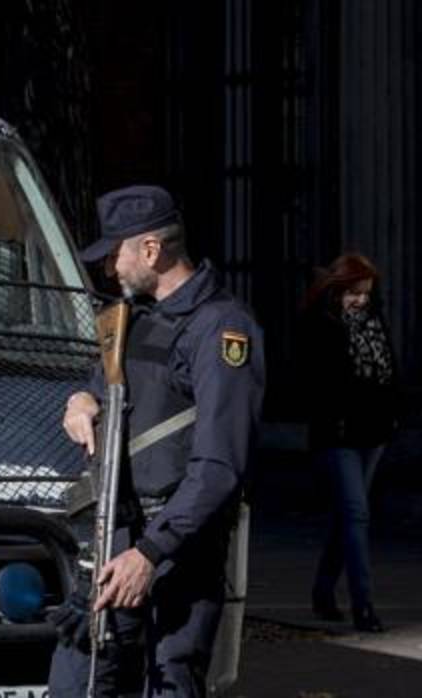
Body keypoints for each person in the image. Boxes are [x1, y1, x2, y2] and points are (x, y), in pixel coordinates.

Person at [47, 185, 265, 697]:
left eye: (114, 254)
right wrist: (80, 399)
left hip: (177, 547)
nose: (108, 270)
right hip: (117, 537)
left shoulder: (222, 329)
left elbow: (219, 465)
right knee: (79, 677)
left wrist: (150, 552)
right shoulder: (137, 320)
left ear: (150, 250)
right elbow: (103, 387)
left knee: (168, 679)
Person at [300, 253, 395, 632]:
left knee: (346, 517)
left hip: (373, 433)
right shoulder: (319, 324)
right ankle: (364, 605)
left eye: (366, 293)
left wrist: (392, 415)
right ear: (337, 289)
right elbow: (315, 384)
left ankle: (323, 591)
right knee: (357, 516)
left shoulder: (373, 322)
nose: (361, 300)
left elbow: (390, 372)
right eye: (354, 293)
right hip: (338, 435)